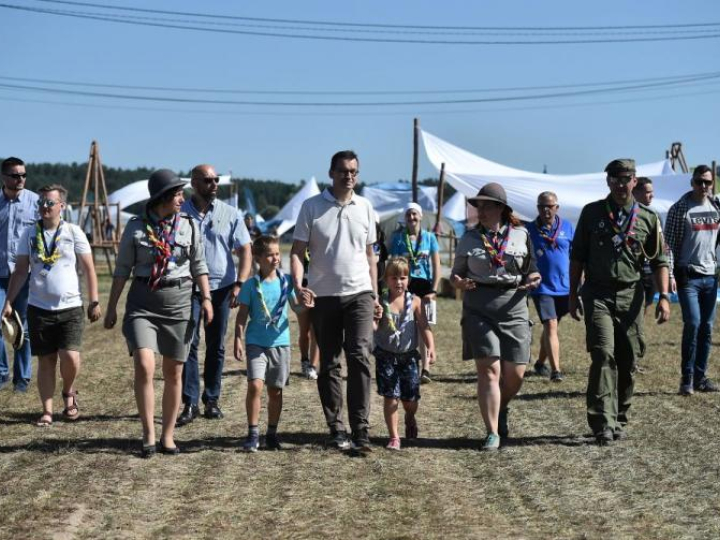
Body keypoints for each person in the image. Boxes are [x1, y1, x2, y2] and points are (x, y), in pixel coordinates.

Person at [104, 169, 213, 458]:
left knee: (174, 371)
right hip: (143, 302)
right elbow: (121, 271)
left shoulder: (188, 225)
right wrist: (112, 306)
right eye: (177, 193)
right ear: (164, 197)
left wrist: (207, 299)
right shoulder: (137, 227)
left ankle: (167, 435)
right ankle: (148, 435)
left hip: (179, 302)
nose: (183, 198)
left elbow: (199, 265)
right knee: (144, 364)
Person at [569, 159, 670, 445]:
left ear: (634, 181)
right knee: (603, 354)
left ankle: (619, 415)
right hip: (598, 294)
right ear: (608, 182)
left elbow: (660, 261)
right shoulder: (592, 214)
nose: (620, 184)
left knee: (627, 360)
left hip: (631, 295)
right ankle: (603, 422)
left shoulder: (648, 218)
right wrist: (571, 294)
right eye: (615, 179)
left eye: (626, 179)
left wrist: (664, 296)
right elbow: (577, 257)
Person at [291, 150, 381, 452]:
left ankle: (361, 429)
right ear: (331, 172)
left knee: (358, 355)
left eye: (354, 171)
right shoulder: (311, 207)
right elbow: (296, 251)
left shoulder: (366, 207)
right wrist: (298, 285)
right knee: (329, 363)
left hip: (359, 293)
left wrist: (375, 293)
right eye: (343, 170)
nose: (349, 176)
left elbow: (371, 256)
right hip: (323, 296)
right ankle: (336, 428)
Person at [451, 182, 541, 451]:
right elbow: (456, 273)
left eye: (487, 205)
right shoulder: (468, 238)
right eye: (478, 205)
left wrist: (534, 278)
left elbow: (531, 268)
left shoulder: (521, 235)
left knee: (516, 373)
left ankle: (500, 407)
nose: (481, 210)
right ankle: (492, 432)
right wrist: (458, 282)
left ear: (501, 208)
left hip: (514, 305)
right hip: (479, 305)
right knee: (490, 370)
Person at [1, 185, 101, 426]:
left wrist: (94, 300)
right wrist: (8, 302)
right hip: (39, 307)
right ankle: (47, 410)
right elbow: (21, 270)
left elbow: (89, 268)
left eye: (50, 203)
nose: (44, 207)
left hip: (70, 307)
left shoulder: (74, 232)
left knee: (70, 357)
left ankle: (68, 392)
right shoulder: (29, 234)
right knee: (46, 360)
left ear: (62, 206)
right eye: (41, 203)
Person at [176, 164, 252, 426]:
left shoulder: (230, 214)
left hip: (221, 288)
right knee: (189, 344)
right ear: (194, 183)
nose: (214, 184)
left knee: (216, 346)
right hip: (188, 287)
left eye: (216, 179)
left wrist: (240, 283)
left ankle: (212, 400)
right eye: (208, 180)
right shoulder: (180, 213)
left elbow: (245, 250)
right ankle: (190, 402)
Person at [234, 235, 300, 451]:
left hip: (280, 343)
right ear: (258, 258)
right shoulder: (251, 285)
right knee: (255, 385)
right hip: (256, 343)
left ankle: (271, 433)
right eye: (270, 255)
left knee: (275, 391)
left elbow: (296, 308)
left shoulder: (287, 281)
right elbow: (242, 315)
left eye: (277, 254)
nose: (276, 258)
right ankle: (253, 434)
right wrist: (237, 338)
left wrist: (307, 306)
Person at [664, 164, 720, 395]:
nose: (703, 186)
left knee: (707, 328)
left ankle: (700, 377)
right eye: (699, 181)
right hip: (688, 276)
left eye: (707, 182)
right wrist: (669, 274)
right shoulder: (680, 208)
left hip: (711, 275)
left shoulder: (717, 206)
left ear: (712, 183)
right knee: (693, 324)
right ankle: (686, 378)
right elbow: (668, 245)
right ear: (692, 183)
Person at [373, 257, 434, 450]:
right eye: (394, 278)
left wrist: (431, 346)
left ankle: (410, 417)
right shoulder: (381, 302)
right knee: (391, 397)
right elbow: (373, 328)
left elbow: (424, 326)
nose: (399, 282)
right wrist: (375, 318)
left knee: (410, 400)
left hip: (409, 357)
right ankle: (394, 437)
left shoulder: (414, 301)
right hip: (386, 356)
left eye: (403, 277)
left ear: (408, 279)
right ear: (386, 279)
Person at [525, 191, 574, 382]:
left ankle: (539, 363)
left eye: (550, 206)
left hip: (564, 287)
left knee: (551, 327)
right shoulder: (529, 230)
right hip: (541, 286)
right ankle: (556, 371)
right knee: (551, 324)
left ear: (557, 208)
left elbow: (575, 256)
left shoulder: (568, 227)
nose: (546, 210)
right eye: (542, 206)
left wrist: (580, 281)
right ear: (537, 208)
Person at [389, 202, 441, 383]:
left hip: (425, 286)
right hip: (406, 285)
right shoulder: (398, 239)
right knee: (407, 326)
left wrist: (433, 290)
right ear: (405, 218)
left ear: (420, 216)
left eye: (414, 214)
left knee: (424, 325)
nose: (411, 218)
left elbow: (437, 266)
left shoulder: (429, 238)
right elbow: (394, 264)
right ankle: (406, 363)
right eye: (408, 215)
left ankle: (425, 368)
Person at [0, 157, 38, 392]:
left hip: (25, 275)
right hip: (0, 274)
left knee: (22, 326)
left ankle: (22, 379)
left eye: (23, 175)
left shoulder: (36, 202)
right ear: (4, 177)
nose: (20, 179)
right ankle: (1, 373)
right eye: (15, 175)